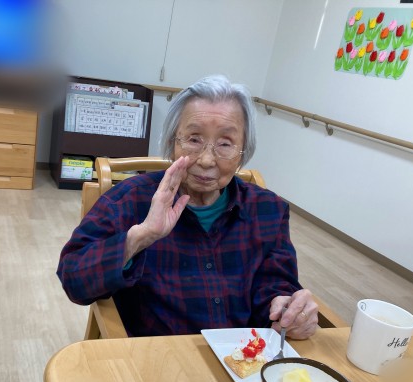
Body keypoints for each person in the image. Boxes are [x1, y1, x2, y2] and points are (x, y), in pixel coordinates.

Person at [57, 74, 318, 339]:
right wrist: (140, 237)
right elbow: (73, 279)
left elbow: (275, 283)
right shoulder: (128, 201)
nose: (206, 160)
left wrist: (287, 307)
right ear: (173, 142)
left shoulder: (268, 210)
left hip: (244, 354)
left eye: (225, 144)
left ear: (243, 152)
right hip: (159, 353)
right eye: (193, 139)